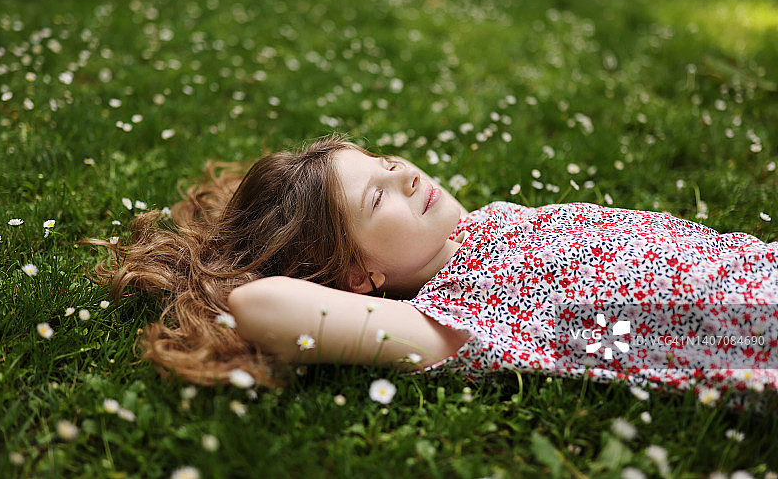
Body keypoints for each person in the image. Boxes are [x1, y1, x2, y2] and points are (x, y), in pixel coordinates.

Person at [86, 135, 778, 402]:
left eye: (385, 162)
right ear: (358, 276)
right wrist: (214, 271)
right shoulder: (452, 315)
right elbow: (264, 305)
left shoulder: (493, 224)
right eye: (376, 194)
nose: (405, 174)